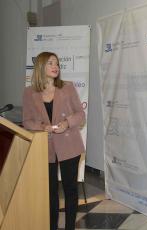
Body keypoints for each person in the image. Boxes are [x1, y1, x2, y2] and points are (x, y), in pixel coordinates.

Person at [22, 52, 85, 230]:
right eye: (50, 63)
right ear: (41, 67)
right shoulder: (29, 92)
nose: (55, 66)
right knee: (50, 193)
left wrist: (67, 122)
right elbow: (27, 121)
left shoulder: (67, 87)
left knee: (70, 190)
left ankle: (70, 227)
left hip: (69, 146)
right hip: (44, 148)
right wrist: (43, 126)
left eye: (57, 63)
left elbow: (80, 114)